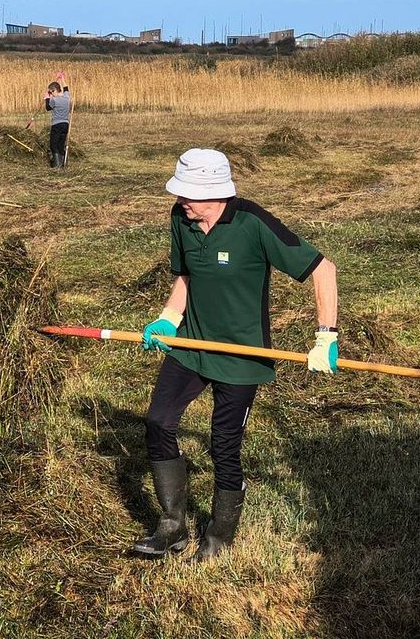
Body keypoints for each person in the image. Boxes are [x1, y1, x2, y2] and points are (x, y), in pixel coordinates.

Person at [132, 148, 339, 563]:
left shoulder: (252, 223)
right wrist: (169, 318)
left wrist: (325, 338)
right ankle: (171, 527)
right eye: (180, 193)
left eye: (189, 194)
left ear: (215, 193)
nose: (180, 201)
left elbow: (324, 269)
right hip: (192, 344)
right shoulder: (181, 219)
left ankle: (219, 537)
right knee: (158, 422)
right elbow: (185, 276)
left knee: (224, 446)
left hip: (243, 354)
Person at [44, 75, 71, 169]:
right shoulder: (67, 97)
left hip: (57, 125)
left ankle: (58, 166)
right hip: (66, 124)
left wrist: (46, 98)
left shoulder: (54, 100)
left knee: (53, 145)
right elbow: (66, 88)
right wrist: (62, 79)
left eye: (51, 92)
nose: (51, 93)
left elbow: (47, 108)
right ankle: (63, 165)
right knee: (60, 145)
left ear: (54, 90)